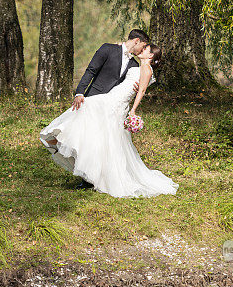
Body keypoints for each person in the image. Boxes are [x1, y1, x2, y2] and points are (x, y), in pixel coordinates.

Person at [39, 38, 179, 198]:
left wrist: (133, 110)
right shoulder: (135, 64)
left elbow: (141, 91)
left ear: (151, 56)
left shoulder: (144, 68)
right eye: (143, 46)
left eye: (146, 49)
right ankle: (63, 137)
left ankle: (64, 139)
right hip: (112, 97)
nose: (143, 50)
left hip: (118, 103)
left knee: (100, 125)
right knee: (91, 118)